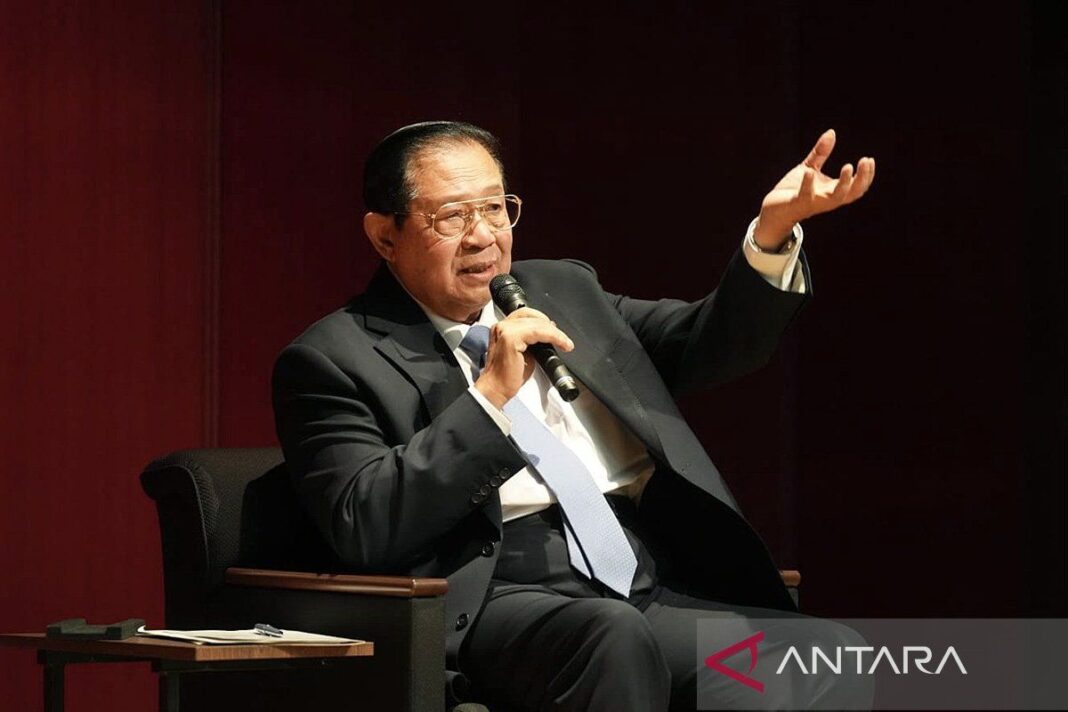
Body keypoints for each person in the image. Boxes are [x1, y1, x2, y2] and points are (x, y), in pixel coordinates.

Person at [273, 121, 876, 711]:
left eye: (495, 209)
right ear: (385, 236)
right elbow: (365, 522)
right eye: (452, 217)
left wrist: (770, 236)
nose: (483, 237)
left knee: (828, 655)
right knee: (613, 636)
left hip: (643, 581)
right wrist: (489, 400)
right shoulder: (334, 358)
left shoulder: (562, 290)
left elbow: (706, 342)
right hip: (496, 595)